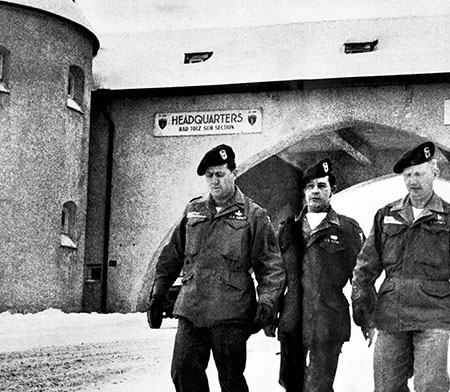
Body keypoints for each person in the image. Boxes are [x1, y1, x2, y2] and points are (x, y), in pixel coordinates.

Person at [149, 144, 286, 392]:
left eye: (220, 174)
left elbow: (271, 266)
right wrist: (159, 292)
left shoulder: (254, 215)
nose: (214, 181)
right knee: (183, 372)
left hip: (231, 311)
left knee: (231, 381)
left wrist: (267, 303)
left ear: (233, 172)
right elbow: (172, 254)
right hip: (192, 307)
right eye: (209, 175)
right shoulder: (194, 210)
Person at [351, 141, 450, 392]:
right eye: (407, 175)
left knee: (430, 386)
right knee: (386, 387)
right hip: (391, 315)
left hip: (432, 315)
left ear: (435, 173)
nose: (413, 181)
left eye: (419, 173)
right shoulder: (386, 215)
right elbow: (365, 267)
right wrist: (360, 301)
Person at [273, 158, 365, 392]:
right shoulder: (288, 229)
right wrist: (269, 313)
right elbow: (275, 275)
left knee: (319, 385)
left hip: (329, 317)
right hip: (293, 316)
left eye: (321, 186)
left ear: (332, 190)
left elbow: (361, 276)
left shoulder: (347, 229)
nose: (315, 191)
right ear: (303, 191)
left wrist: (365, 316)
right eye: (310, 186)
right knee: (290, 382)